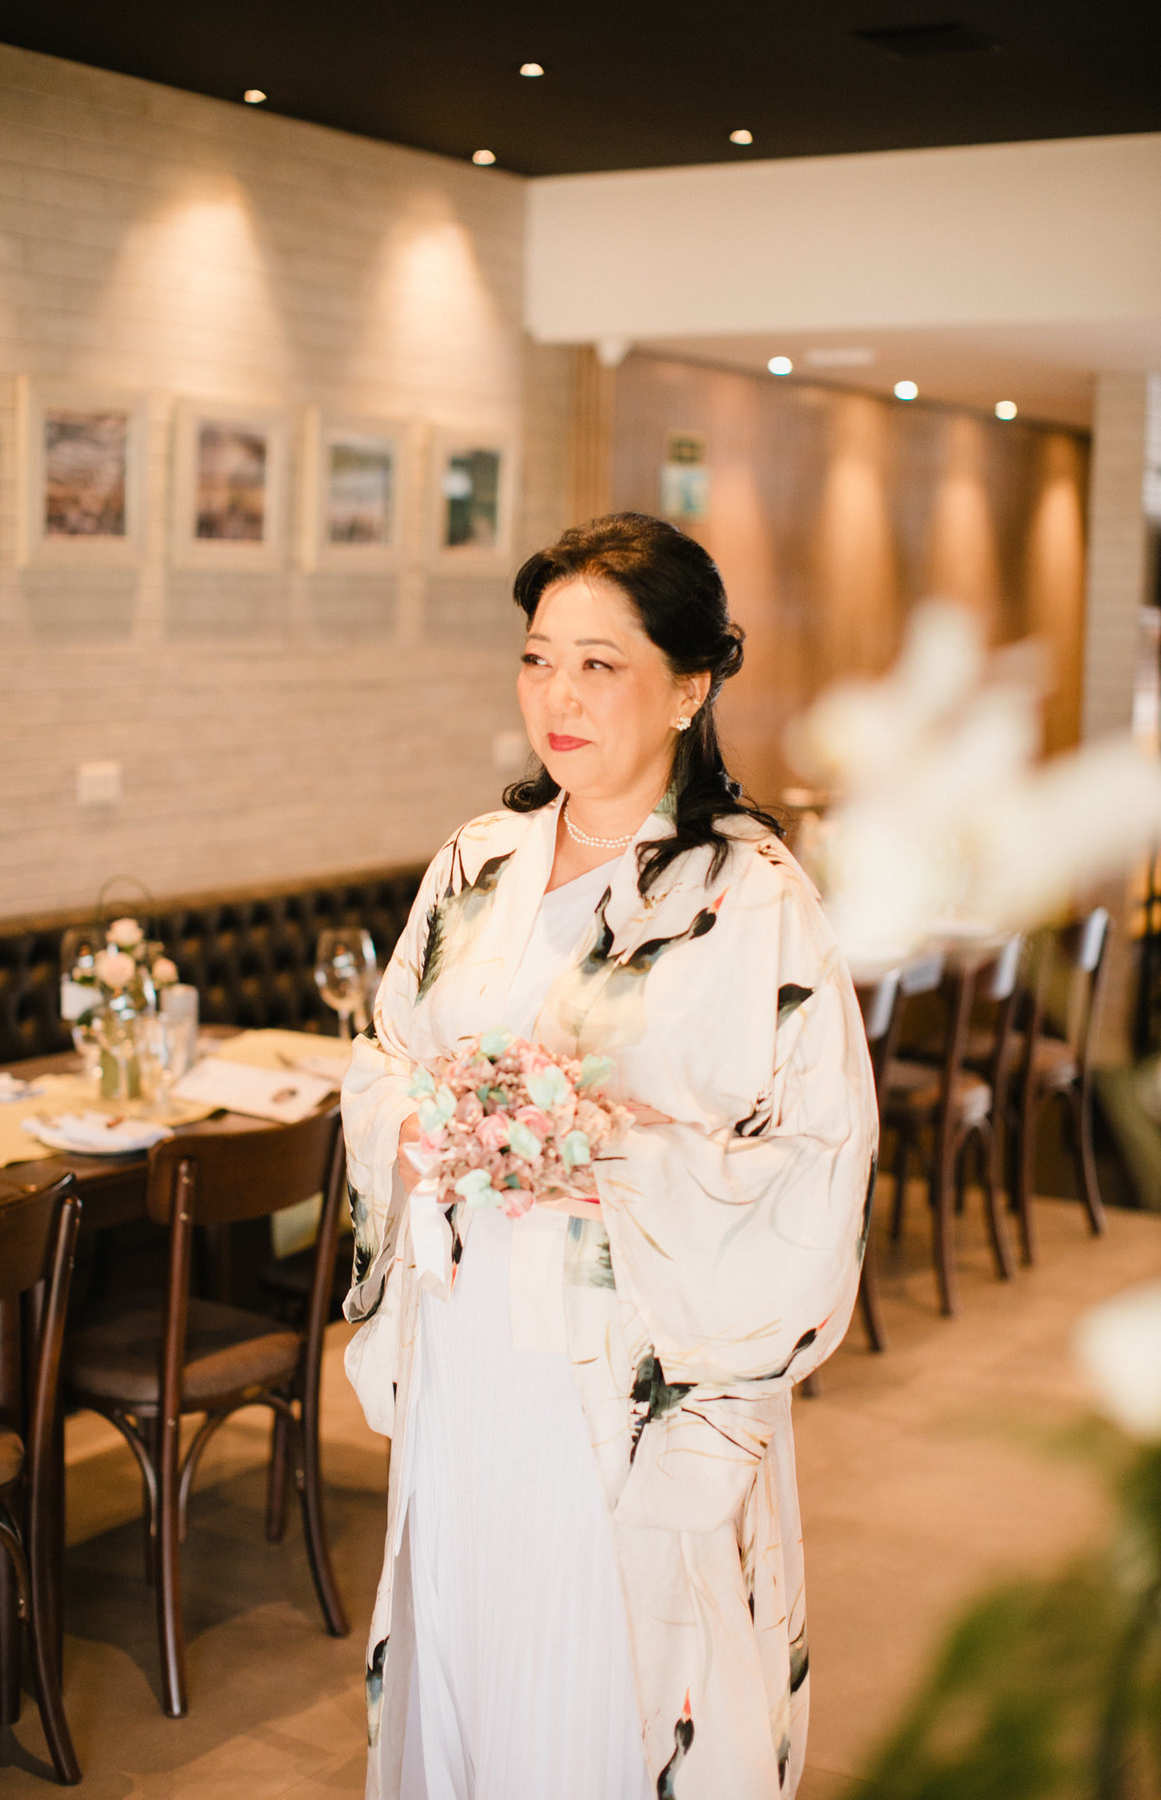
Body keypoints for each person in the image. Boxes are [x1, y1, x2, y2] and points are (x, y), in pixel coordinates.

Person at [341, 512, 878, 1800]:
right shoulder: (477, 862)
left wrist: (601, 1151)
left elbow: (817, 1149)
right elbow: (387, 1050)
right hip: (469, 1337)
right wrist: (418, 1121)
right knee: (468, 1629)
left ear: (689, 686)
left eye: (599, 664)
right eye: (538, 661)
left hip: (628, 1361)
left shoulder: (749, 897)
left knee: (601, 1675)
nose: (558, 698)